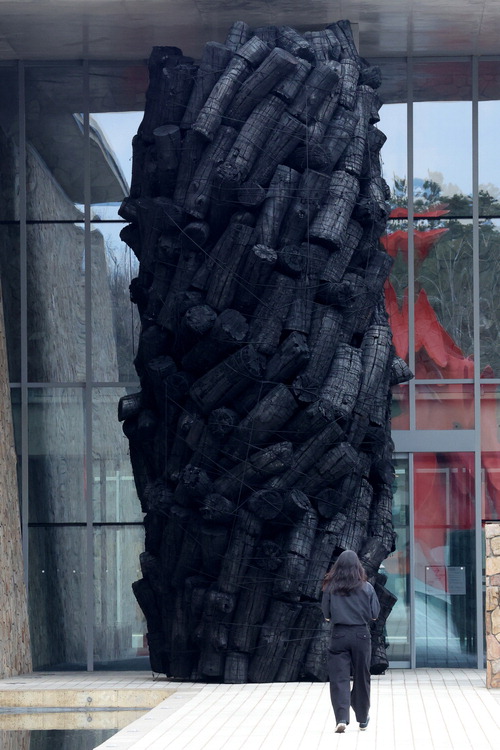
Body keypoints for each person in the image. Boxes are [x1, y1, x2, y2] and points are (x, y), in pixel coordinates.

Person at [321, 549, 380, 734]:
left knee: (339, 678)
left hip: (339, 635)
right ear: (358, 567)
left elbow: (327, 615)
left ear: (337, 567)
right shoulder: (367, 587)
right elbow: (375, 615)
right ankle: (362, 718)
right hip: (361, 635)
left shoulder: (330, 587)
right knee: (362, 677)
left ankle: (341, 718)